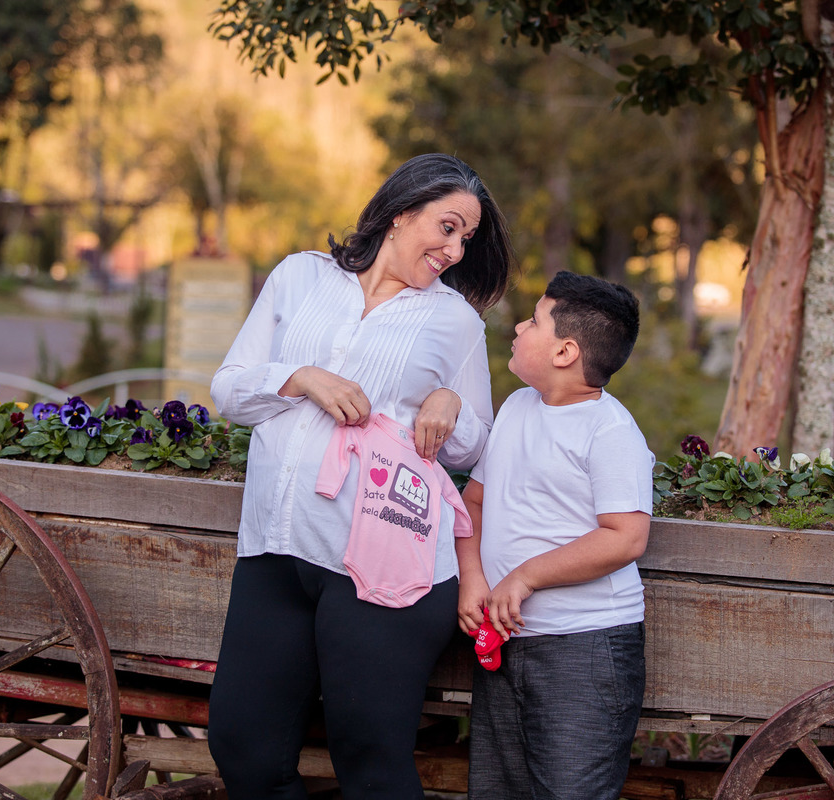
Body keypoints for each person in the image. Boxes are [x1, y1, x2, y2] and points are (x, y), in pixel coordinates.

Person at [206, 153, 514, 800]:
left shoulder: (453, 320)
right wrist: (301, 377)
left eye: (467, 238)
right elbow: (231, 391)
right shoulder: (299, 277)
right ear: (402, 212)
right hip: (276, 545)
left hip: (382, 564)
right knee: (243, 750)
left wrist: (449, 406)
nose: (456, 249)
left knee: (370, 761)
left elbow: (472, 444)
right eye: (449, 226)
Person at [457, 270, 653, 800]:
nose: (519, 326)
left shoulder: (608, 430)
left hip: (584, 650)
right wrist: (473, 578)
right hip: (506, 641)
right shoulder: (518, 408)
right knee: (499, 790)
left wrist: (524, 576)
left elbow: (626, 537)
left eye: (534, 318)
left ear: (565, 351)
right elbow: (473, 503)